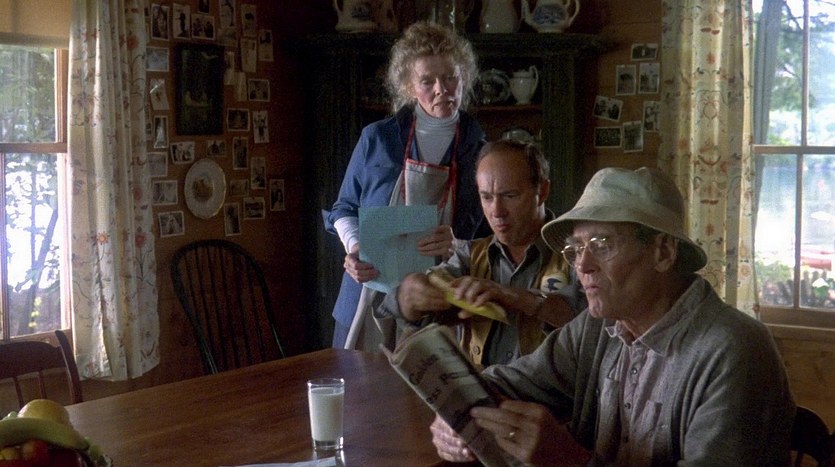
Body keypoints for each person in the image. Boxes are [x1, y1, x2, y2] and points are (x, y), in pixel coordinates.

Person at [430, 167, 796, 466]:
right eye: (576, 249)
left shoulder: (734, 350)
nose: (582, 266)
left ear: (663, 252)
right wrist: (455, 413)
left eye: (602, 245)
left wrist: (568, 461)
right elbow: (508, 383)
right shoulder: (598, 327)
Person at [324, 22, 490, 349]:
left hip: (442, 303)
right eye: (427, 81)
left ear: (464, 78)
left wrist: (459, 245)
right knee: (360, 380)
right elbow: (344, 208)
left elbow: (495, 238)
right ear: (409, 86)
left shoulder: (481, 151)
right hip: (368, 291)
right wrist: (355, 248)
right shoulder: (377, 139)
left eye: (451, 77)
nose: (441, 89)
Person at [378, 139, 583, 367]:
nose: (497, 211)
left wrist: (514, 297)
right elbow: (401, 310)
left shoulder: (578, 253)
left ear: (542, 191)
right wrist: (408, 297)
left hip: (547, 390)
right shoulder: (470, 255)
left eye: (510, 196)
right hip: (478, 388)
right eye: (486, 197)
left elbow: (592, 324)